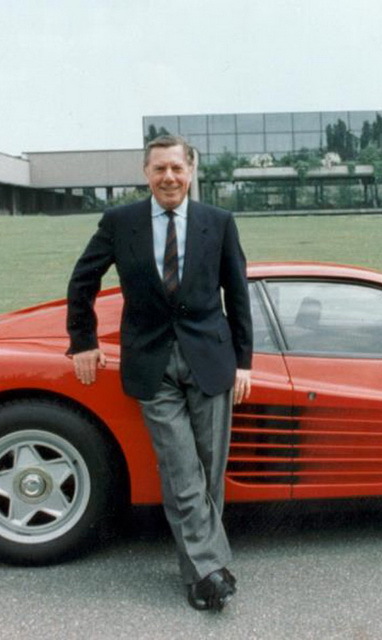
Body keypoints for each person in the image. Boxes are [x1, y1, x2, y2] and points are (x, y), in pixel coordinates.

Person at [65, 134, 253, 611]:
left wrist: (244, 362)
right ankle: (209, 571)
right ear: (146, 174)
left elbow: (238, 293)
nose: (169, 177)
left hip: (211, 360)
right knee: (181, 468)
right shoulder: (120, 222)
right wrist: (83, 341)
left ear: (191, 171)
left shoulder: (219, 222)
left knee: (208, 472)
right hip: (152, 364)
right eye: (159, 169)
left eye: (176, 168)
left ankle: (199, 571)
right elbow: (83, 280)